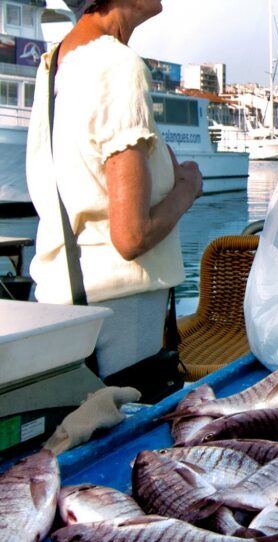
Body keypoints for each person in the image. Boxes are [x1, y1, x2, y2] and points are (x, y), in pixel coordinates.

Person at [26, 0, 203, 378]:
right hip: (121, 312)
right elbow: (132, 236)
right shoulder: (118, 65)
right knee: (134, 432)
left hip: (66, 302)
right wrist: (187, 188)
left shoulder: (56, 63)